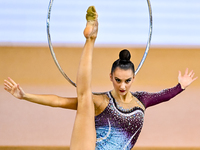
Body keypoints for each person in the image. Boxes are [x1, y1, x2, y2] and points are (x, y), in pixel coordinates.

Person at [4, 6, 198, 150]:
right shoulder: (102, 101)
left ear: (133, 78)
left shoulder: (142, 100)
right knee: (85, 97)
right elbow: (59, 101)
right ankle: (90, 38)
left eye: (127, 80)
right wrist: (25, 95)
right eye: (118, 80)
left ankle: (92, 37)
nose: (122, 85)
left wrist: (180, 86)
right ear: (111, 77)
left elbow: (164, 96)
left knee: (86, 98)